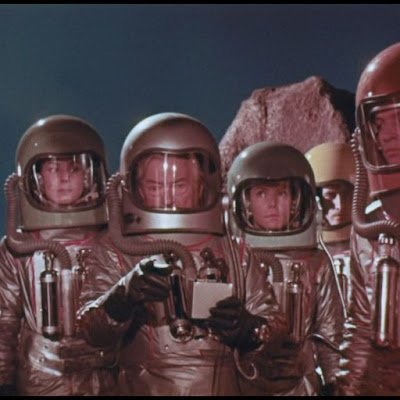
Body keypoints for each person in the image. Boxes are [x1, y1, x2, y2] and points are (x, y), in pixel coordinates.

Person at [78, 112, 288, 396]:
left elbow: (277, 332)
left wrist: (250, 329)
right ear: (134, 188)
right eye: (154, 187)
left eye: (179, 185)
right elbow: (90, 333)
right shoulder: (116, 250)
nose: (168, 196)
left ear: (202, 186)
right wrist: (122, 297)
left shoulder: (234, 252)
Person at [0, 115, 125, 396]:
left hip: (104, 382)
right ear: (36, 177)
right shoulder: (18, 248)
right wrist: (3, 380)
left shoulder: (113, 242)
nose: (65, 177)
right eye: (53, 168)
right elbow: (4, 321)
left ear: (91, 175)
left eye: (75, 168)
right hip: (39, 383)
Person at [226, 141, 345, 396]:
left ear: (294, 201)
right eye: (261, 194)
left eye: (281, 193)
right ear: (246, 203)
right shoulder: (231, 259)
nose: (272, 204)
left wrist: (336, 386)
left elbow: (330, 336)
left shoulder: (316, 262)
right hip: (242, 383)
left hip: (300, 386)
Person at [338, 42, 400, 396]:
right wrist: (348, 389)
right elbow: (361, 326)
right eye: (379, 121)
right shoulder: (370, 224)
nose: (388, 135)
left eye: (399, 118)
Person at [305, 142, 356, 310]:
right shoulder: (305, 252)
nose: (340, 205)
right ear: (315, 199)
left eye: (347, 194)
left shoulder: (370, 248)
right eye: (331, 195)